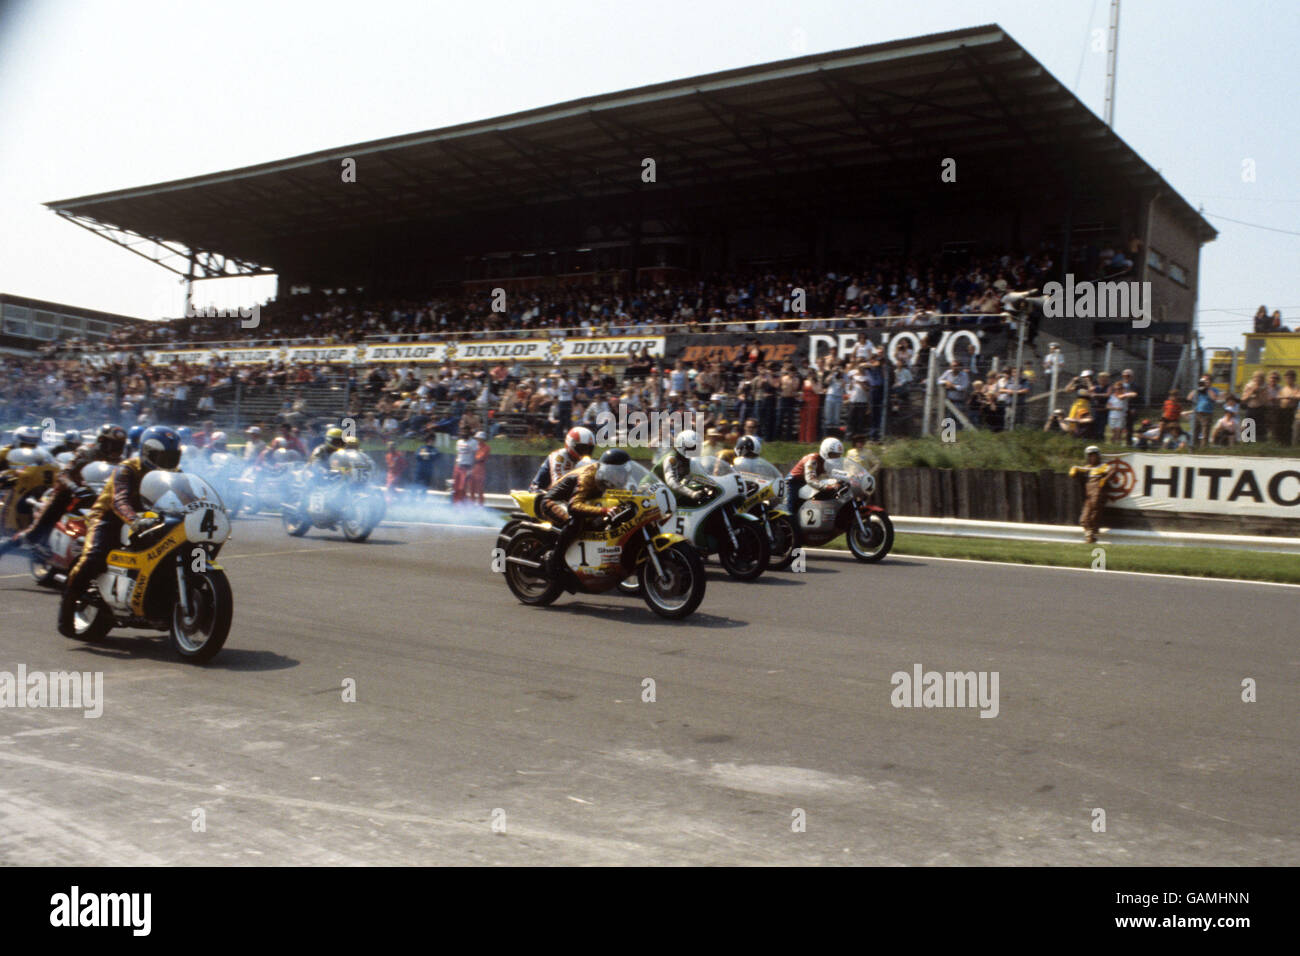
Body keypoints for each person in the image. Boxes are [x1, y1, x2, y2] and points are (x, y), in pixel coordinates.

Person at [58, 425, 182, 638]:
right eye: (164, 457)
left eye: (173, 457)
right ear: (148, 453)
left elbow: (185, 495)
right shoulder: (127, 469)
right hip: (109, 518)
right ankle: (66, 610)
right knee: (94, 557)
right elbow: (119, 501)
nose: (168, 463)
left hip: (147, 519)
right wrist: (134, 520)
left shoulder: (174, 474)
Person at [0, 424, 127, 558]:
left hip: (98, 496)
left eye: (119, 445)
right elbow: (64, 474)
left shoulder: (120, 461)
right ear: (101, 441)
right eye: (112, 444)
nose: (115, 449)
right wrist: (74, 487)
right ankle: (5, 547)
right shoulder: (86, 452)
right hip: (70, 494)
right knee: (36, 533)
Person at [539, 448, 631, 575]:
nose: (623, 475)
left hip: (575, 501)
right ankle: (555, 560)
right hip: (555, 501)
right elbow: (574, 506)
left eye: (624, 471)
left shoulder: (608, 478)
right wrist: (604, 510)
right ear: (609, 470)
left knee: (600, 522)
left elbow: (625, 494)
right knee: (574, 521)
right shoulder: (588, 476)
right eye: (619, 472)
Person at [786, 436, 844, 529]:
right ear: (825, 451)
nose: (836, 458)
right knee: (790, 510)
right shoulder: (812, 460)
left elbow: (836, 474)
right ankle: (788, 528)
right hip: (794, 482)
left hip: (806, 483)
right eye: (833, 455)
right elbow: (811, 479)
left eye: (838, 455)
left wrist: (849, 477)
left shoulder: (828, 462)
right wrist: (828, 487)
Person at [530, 426, 595, 492]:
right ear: (571, 443)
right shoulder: (560, 457)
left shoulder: (586, 461)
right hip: (540, 491)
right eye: (582, 448)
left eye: (589, 449)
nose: (585, 452)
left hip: (565, 493)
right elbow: (559, 485)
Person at [1068, 445, 1110, 544]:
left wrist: (1105, 479)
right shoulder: (1087, 468)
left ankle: (1092, 533)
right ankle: (1090, 536)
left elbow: (1112, 470)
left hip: (1098, 491)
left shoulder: (1103, 466)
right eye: (1090, 456)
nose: (1092, 458)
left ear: (1098, 456)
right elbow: (1078, 469)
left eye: (1094, 455)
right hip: (1088, 494)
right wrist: (1074, 470)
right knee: (1083, 518)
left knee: (1095, 509)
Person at [653, 429, 707, 506]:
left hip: (665, 491)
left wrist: (710, 483)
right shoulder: (672, 459)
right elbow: (671, 481)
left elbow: (698, 474)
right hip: (651, 489)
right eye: (691, 447)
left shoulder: (689, 460)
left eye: (696, 447)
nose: (694, 450)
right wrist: (691, 493)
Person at [1187, 377, 1221, 447]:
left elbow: (1214, 398)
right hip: (1197, 412)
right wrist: (1197, 388)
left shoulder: (1213, 390)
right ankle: (1194, 446)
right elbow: (1189, 398)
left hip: (1207, 413)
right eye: (1203, 381)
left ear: (1210, 382)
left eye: (1206, 381)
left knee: (1205, 432)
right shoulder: (1199, 390)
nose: (1204, 383)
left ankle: (1204, 447)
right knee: (1195, 430)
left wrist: (1207, 388)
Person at [451, 429, 478, 504]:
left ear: (469, 433)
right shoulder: (459, 442)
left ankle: (463, 505)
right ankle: (455, 505)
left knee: (462, 488)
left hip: (467, 467)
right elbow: (458, 454)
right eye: (462, 432)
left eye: (465, 432)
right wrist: (455, 465)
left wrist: (472, 468)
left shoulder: (473, 442)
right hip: (458, 466)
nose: (463, 433)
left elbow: (475, 456)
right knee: (455, 488)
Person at [470, 430, 489, 505]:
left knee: (479, 489)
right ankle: (471, 505)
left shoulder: (486, 447)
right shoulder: (475, 446)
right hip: (472, 467)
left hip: (480, 468)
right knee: (471, 489)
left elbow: (479, 458)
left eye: (479, 438)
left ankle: (480, 506)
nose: (478, 440)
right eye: (477, 438)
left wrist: (472, 457)